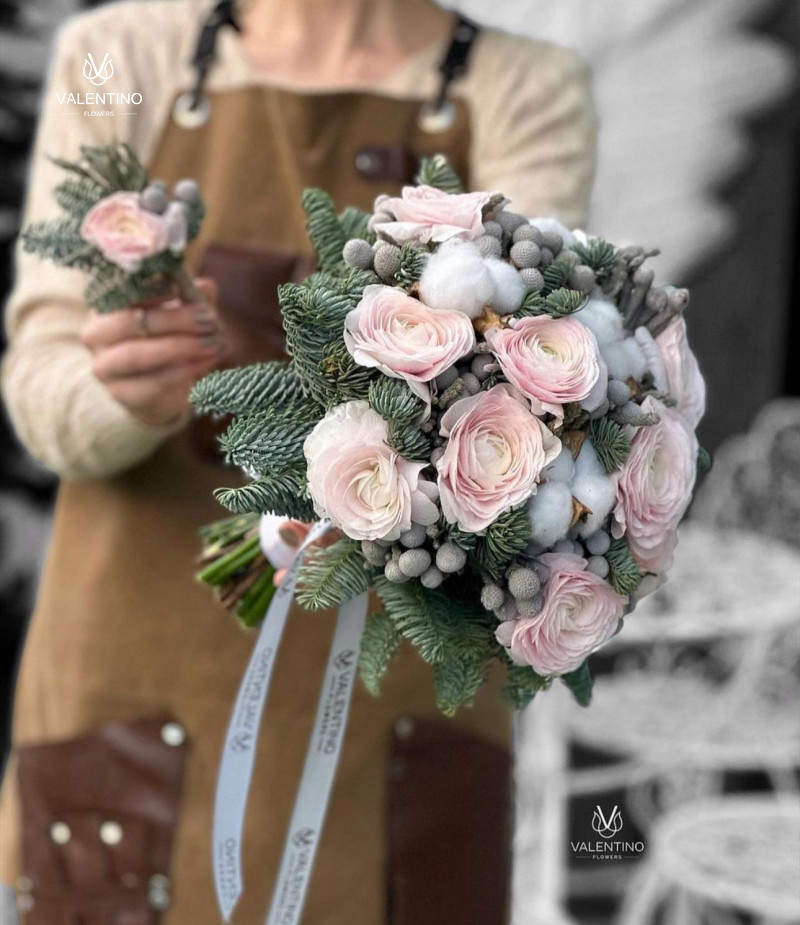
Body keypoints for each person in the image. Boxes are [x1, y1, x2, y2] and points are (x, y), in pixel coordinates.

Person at [0, 0, 595, 921]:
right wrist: (124, 395)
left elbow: (532, 392)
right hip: (127, 664)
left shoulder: (522, 90)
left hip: (389, 692)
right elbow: (43, 380)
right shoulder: (114, 58)